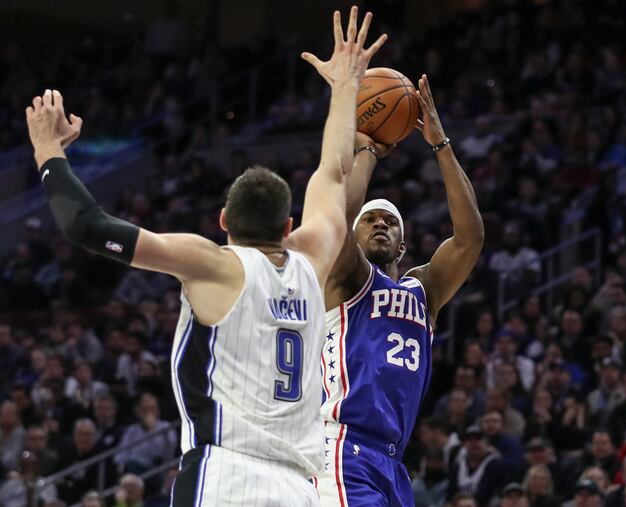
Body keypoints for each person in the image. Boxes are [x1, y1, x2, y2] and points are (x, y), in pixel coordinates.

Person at [25, 6, 386, 506]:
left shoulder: (212, 262)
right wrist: (346, 85)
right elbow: (336, 168)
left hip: (226, 476)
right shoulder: (315, 254)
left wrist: (48, 150)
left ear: (223, 222)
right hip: (301, 488)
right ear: (287, 227)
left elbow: (87, 227)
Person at [314, 70, 483, 506]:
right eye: (370, 220)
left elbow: (470, 239)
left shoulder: (423, 289)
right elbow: (337, 218)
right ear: (354, 236)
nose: (381, 224)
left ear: (403, 244)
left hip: (392, 460)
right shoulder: (346, 278)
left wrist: (440, 145)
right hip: (342, 444)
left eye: (390, 221)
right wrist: (368, 149)